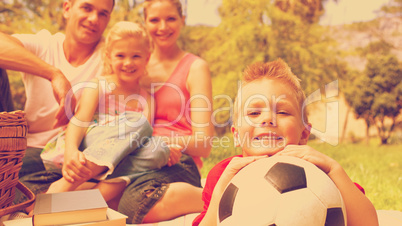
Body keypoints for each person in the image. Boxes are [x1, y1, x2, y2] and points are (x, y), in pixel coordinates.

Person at [192, 59, 379, 226]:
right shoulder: (222, 174)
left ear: (304, 134)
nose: (267, 119)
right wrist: (220, 192)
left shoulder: (320, 173)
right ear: (237, 135)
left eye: (282, 112)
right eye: (254, 113)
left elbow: (369, 223)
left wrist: (334, 169)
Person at [44, 21, 169, 204]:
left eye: (136, 56)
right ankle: (69, 184)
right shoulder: (99, 85)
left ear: (147, 59)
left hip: (121, 158)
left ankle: (92, 197)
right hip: (90, 146)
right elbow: (79, 121)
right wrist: (71, 150)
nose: (128, 62)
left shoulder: (148, 99)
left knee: (159, 150)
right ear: (109, 57)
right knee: (139, 122)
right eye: (120, 55)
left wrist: (168, 150)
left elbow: (143, 142)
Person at [116, 0, 215, 223]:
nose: (163, 27)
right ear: (144, 23)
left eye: (170, 18)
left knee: (134, 204)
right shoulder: (134, 66)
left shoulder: (195, 67)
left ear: (183, 20)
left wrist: (163, 143)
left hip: (178, 161)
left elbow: (205, 143)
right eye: (154, 20)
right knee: (100, 195)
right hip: (136, 159)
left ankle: (214, 196)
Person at [0, 0, 115, 180]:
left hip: (57, 153)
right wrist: (53, 74)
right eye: (87, 8)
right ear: (67, 8)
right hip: (16, 141)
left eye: (103, 14)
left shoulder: (112, 57)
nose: (94, 19)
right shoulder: (45, 44)